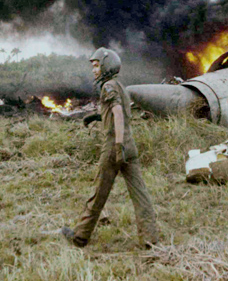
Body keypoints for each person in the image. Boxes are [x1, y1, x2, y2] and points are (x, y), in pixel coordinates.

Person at [61, 48, 159, 248]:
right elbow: (118, 111)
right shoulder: (120, 86)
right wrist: (98, 117)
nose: (94, 70)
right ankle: (149, 238)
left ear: (106, 66)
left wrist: (118, 145)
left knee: (98, 194)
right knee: (140, 194)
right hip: (130, 147)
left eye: (96, 66)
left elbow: (118, 113)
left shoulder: (107, 87)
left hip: (115, 146)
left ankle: (80, 236)